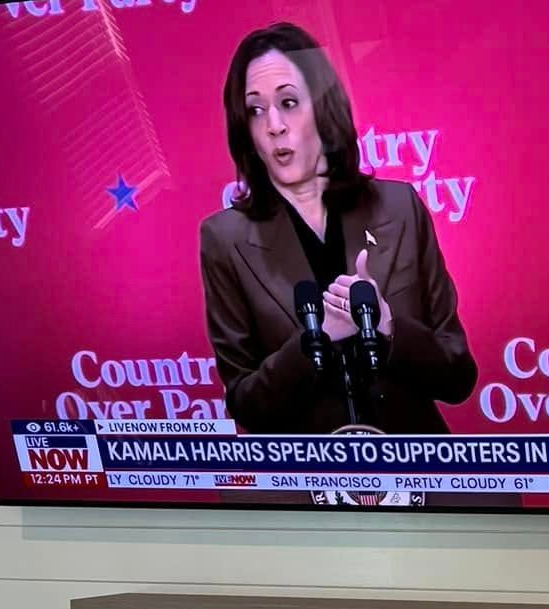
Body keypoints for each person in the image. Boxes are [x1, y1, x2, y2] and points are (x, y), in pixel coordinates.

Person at [200, 22, 476, 434]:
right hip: (308, 485)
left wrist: (387, 326)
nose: (274, 124)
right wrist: (319, 339)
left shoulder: (400, 208)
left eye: (289, 102)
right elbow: (246, 405)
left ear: (323, 106)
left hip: (418, 478)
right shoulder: (224, 240)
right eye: (256, 110)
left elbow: (458, 378)